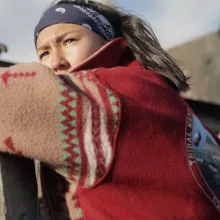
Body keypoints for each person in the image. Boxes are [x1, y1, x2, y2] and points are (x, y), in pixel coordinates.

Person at [0, 0, 220, 219]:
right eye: (44, 53)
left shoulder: (104, 96)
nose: (56, 62)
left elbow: (9, 95)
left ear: (107, 41)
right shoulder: (158, 93)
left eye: (69, 41)